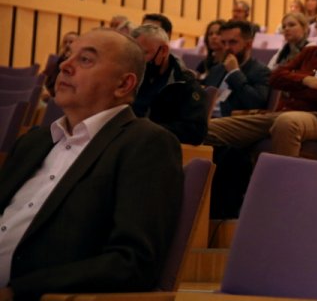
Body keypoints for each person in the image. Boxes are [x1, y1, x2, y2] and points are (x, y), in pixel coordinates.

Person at [0, 29, 182, 300]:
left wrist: (18, 292)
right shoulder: (34, 142)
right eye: (68, 55)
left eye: (85, 60)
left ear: (123, 85)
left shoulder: (145, 144)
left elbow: (132, 262)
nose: (64, 65)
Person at [205, 4, 317, 158]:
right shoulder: (310, 52)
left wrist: (292, 86)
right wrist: (306, 80)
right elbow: (275, 77)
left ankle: (283, 183)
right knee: (209, 129)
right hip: (282, 113)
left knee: (287, 122)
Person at [131, 24, 208, 145]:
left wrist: (147, 129)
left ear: (164, 51)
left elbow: (195, 132)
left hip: (158, 147)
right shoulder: (132, 77)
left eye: (143, 53)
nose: (138, 60)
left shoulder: (185, 84)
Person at [204, 20, 271, 117]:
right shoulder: (216, 70)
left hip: (232, 122)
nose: (226, 47)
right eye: (223, 42)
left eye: (232, 42)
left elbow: (256, 104)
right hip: (207, 119)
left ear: (248, 44)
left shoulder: (260, 71)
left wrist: (235, 73)